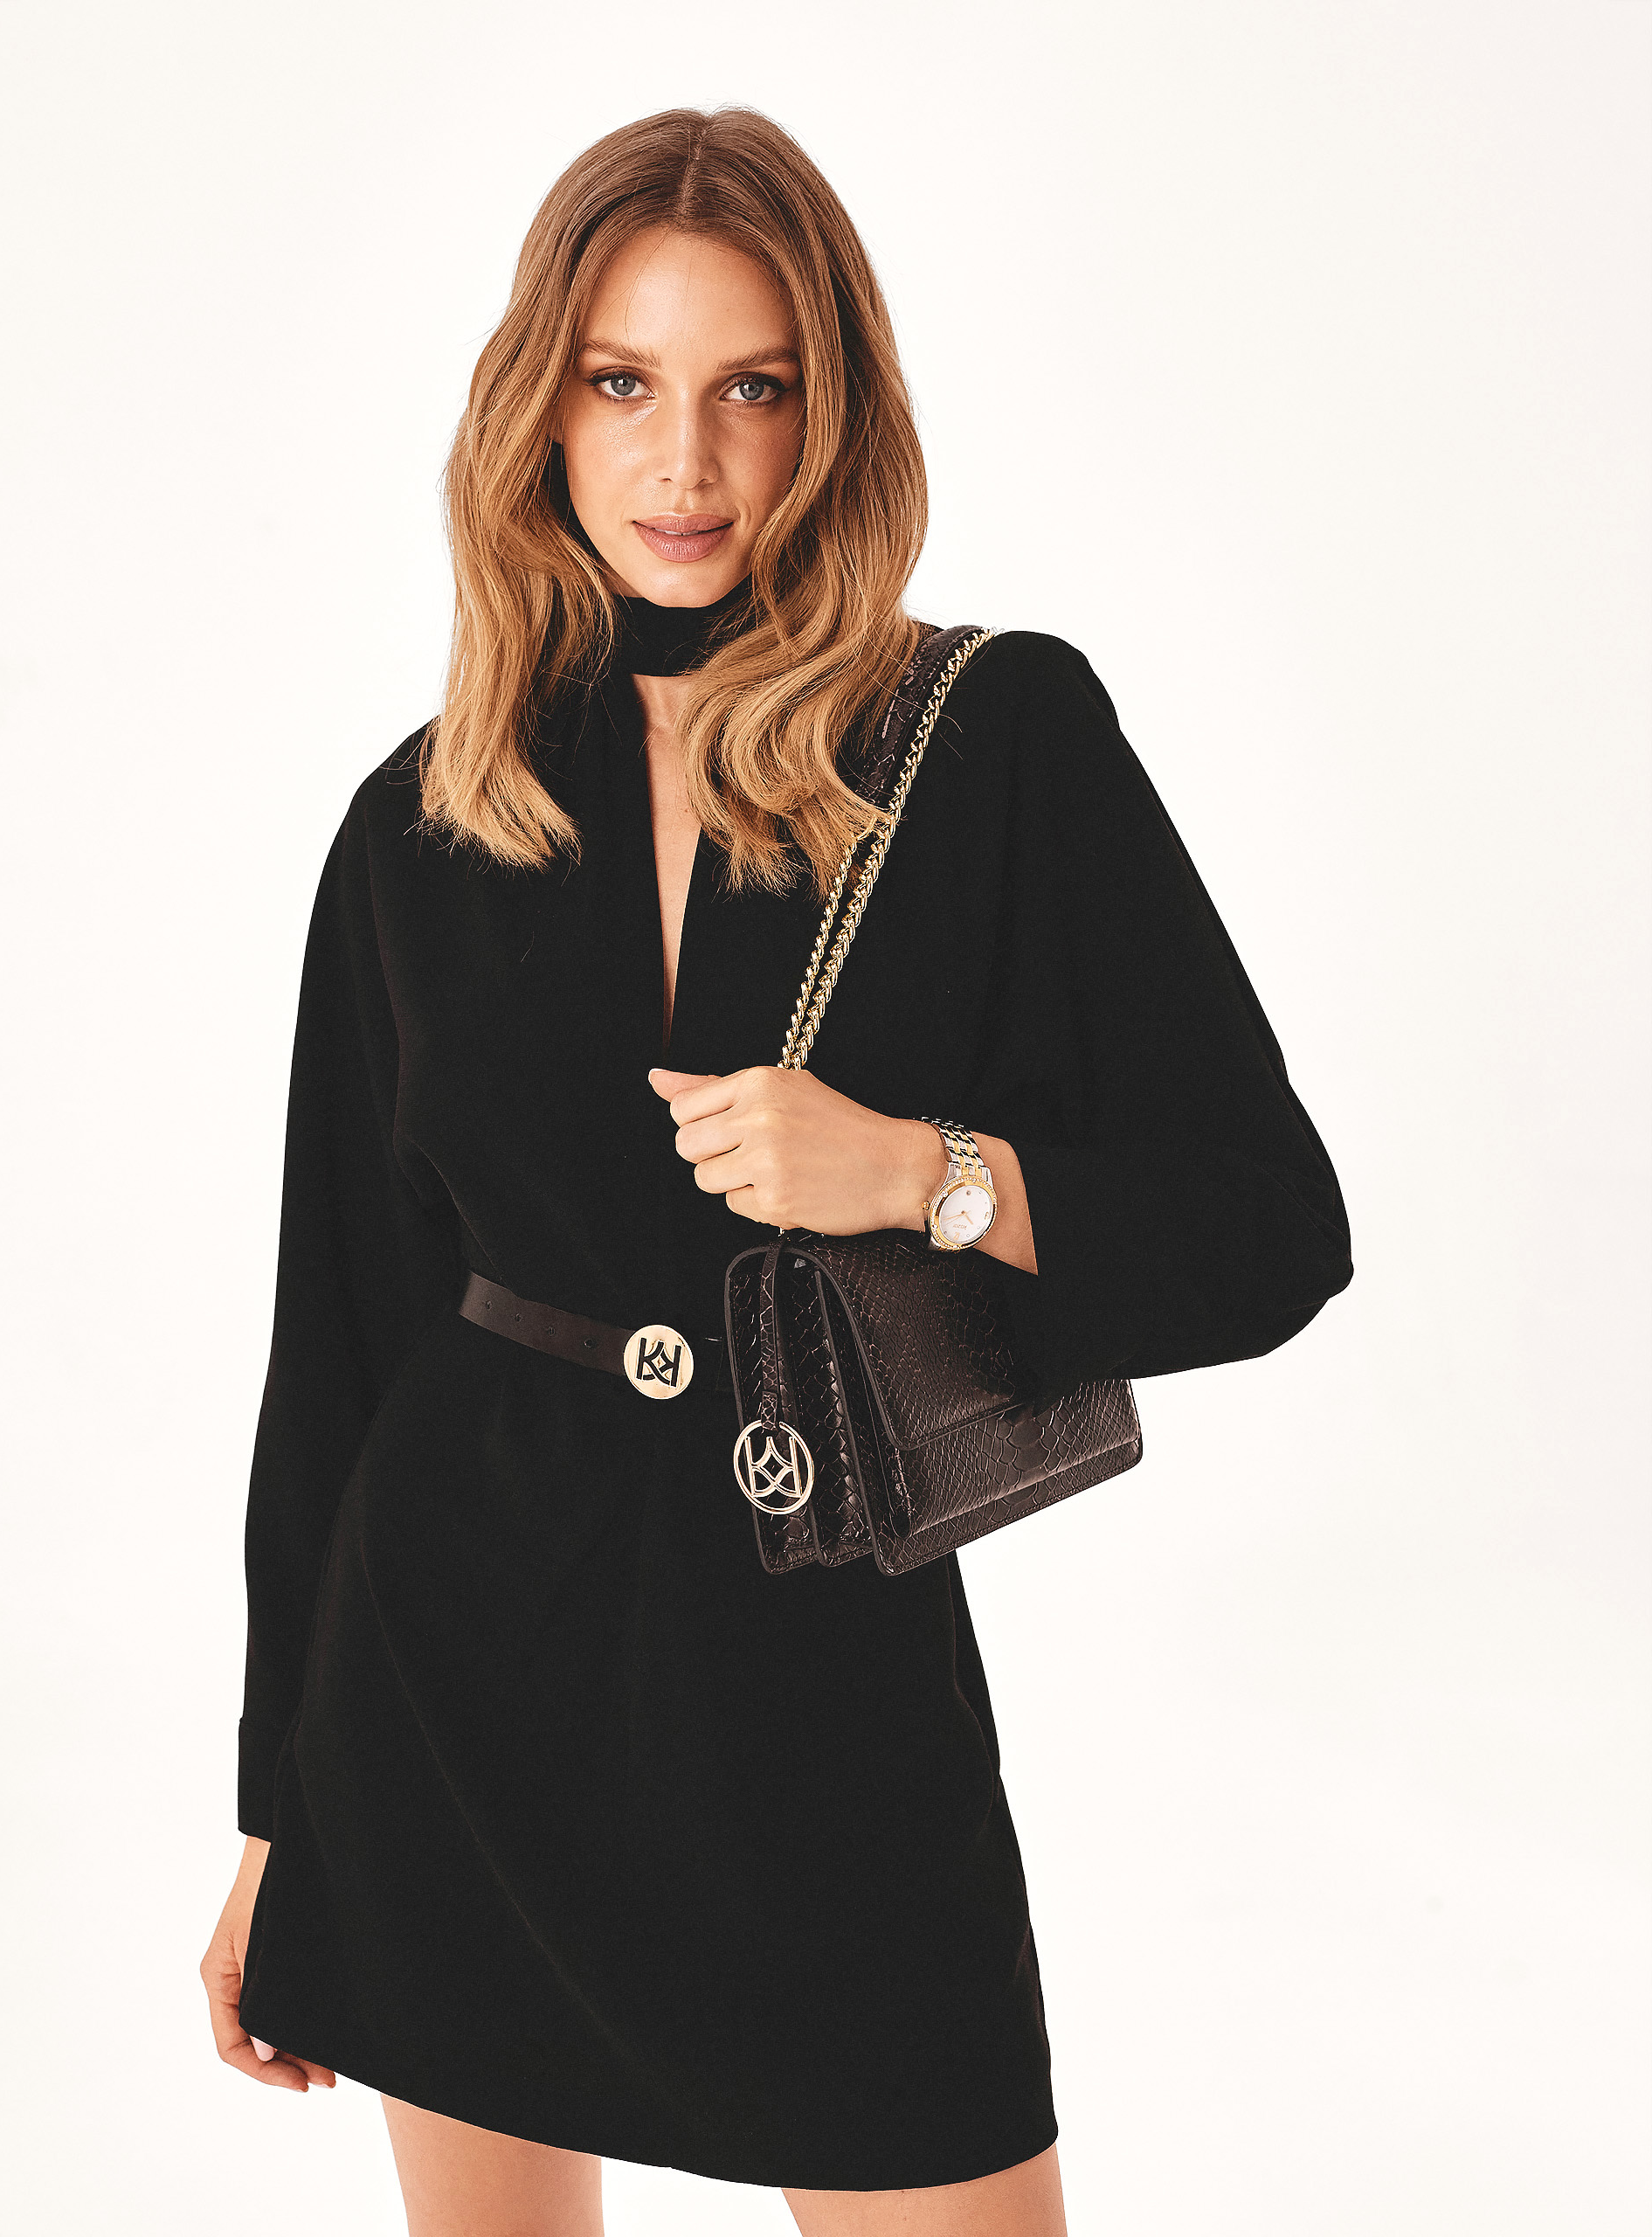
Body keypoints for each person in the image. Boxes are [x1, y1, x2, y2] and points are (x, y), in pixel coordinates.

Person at [199, 106, 1353, 2237]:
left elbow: (1271, 1228)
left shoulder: (989, 738)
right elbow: (339, 1331)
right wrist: (281, 1813)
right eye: (622, 382)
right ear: (541, 407)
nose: (686, 462)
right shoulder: (422, 819)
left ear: (835, 414)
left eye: (753, 387)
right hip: (447, 1693)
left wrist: (928, 1173)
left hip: (820, 1697)